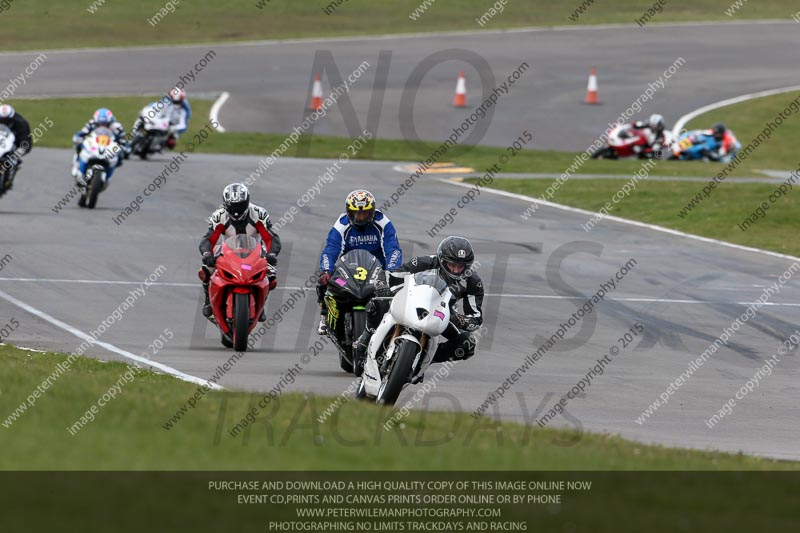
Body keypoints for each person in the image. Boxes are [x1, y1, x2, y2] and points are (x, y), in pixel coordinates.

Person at [354, 236, 483, 370]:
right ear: (442, 260)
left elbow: (476, 318)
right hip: (411, 299)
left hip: (441, 313)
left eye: (460, 266)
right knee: (378, 302)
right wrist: (383, 287)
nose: (456, 270)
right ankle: (366, 337)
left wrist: (459, 320)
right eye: (452, 265)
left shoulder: (473, 282)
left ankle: (423, 359)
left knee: (467, 344)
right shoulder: (424, 263)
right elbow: (388, 274)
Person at [317, 189, 402, 334]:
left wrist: (391, 271)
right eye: (356, 213)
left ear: (373, 211)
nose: (360, 217)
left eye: (365, 213)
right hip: (347, 271)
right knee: (323, 281)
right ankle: (325, 315)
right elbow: (331, 249)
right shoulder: (341, 225)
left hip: (377, 272)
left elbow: (393, 249)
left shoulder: (383, 222)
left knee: (397, 289)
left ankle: (392, 321)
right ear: (349, 212)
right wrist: (327, 270)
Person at [199, 183, 281, 321]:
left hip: (255, 252)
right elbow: (209, 238)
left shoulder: (259, 213)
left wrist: (272, 254)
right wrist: (207, 254)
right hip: (227, 252)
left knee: (271, 275)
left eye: (240, 206)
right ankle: (208, 300)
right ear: (225, 204)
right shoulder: (219, 216)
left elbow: (271, 237)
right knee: (205, 270)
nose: (236, 211)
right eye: (233, 207)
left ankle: (260, 305)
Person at [71, 108, 129, 179]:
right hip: (95, 142)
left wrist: (125, 147)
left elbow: (124, 139)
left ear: (110, 121)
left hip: (109, 145)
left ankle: (108, 175)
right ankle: (76, 166)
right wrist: (77, 138)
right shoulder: (92, 123)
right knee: (79, 146)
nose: (103, 125)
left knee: (120, 156)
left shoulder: (116, 126)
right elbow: (82, 133)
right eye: (100, 123)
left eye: (105, 123)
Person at [0, 104, 32, 189]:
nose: (4, 122)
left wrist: (16, 154)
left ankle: (7, 179)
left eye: (6, 120)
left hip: (14, 145)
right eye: (2, 119)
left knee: (11, 161)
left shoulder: (21, 124)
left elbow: (26, 144)